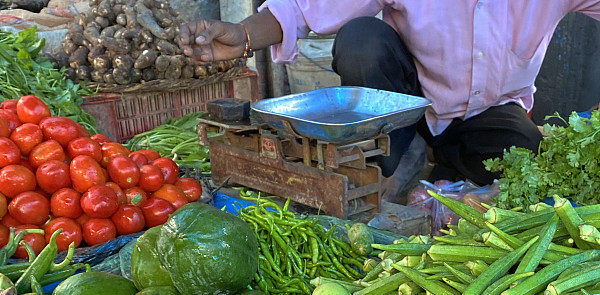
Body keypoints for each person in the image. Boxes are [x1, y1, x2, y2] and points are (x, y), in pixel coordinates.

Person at [181, 2, 600, 186]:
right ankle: (383, 165)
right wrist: (243, 35)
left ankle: (445, 167)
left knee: (519, 165)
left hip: (492, 107)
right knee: (362, 38)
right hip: (403, 98)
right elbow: (306, 7)